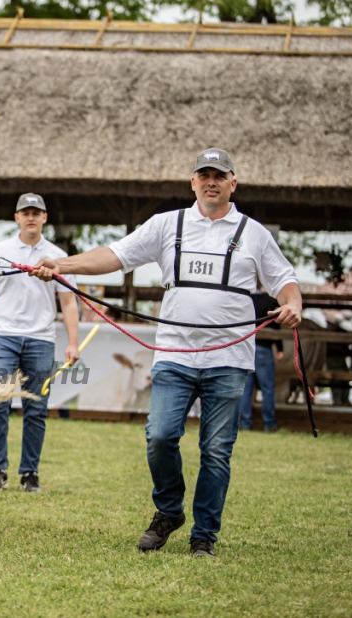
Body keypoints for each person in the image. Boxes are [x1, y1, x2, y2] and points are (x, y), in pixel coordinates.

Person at [30, 149, 301, 558]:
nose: (211, 181)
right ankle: (169, 511)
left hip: (228, 360)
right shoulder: (166, 225)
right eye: (203, 175)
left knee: (215, 450)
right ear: (193, 182)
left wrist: (293, 303)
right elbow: (115, 256)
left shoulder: (254, 233)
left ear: (233, 183)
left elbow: (286, 280)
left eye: (219, 175)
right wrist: (62, 265)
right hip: (174, 354)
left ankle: (204, 536)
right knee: (159, 436)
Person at [0, 193, 80, 493]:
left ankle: (30, 473)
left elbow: (69, 303)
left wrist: (73, 342)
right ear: (16, 217)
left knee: (36, 409)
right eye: (25, 212)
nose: (31, 217)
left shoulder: (57, 258)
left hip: (41, 339)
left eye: (36, 212)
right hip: (0, 336)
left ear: (45, 218)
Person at [240, 288, 285, 431]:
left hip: (246, 348)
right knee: (267, 388)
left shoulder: (244, 300)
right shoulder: (268, 301)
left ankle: (245, 423)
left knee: (246, 389)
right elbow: (275, 325)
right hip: (263, 348)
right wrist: (280, 348)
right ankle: (269, 423)